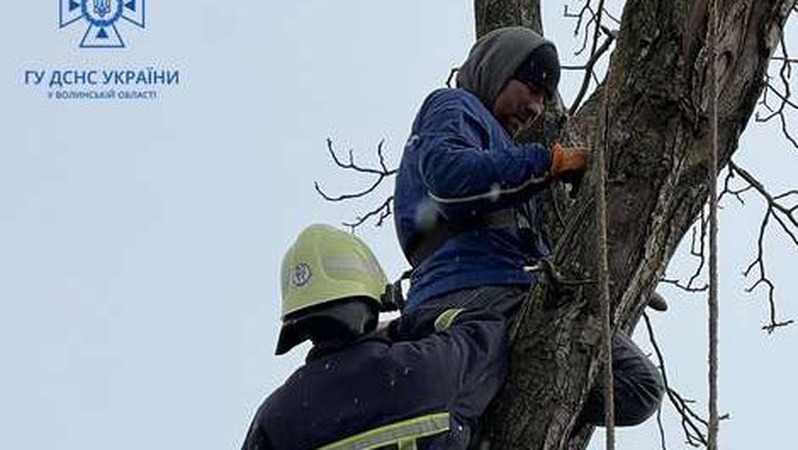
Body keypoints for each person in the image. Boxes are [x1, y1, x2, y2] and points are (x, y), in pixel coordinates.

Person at [393, 26, 663, 427]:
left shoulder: (504, 149)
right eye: (532, 88)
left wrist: (610, 271)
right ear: (498, 71)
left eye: (544, 98)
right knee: (636, 384)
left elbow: (516, 243)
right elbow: (450, 181)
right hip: (468, 291)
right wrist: (547, 165)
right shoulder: (454, 106)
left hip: (489, 291)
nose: (536, 108)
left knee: (636, 390)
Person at [241, 224, 515, 449]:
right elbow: (484, 328)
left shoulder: (274, 420)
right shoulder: (427, 368)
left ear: (298, 326)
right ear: (374, 301)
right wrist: (402, 326)